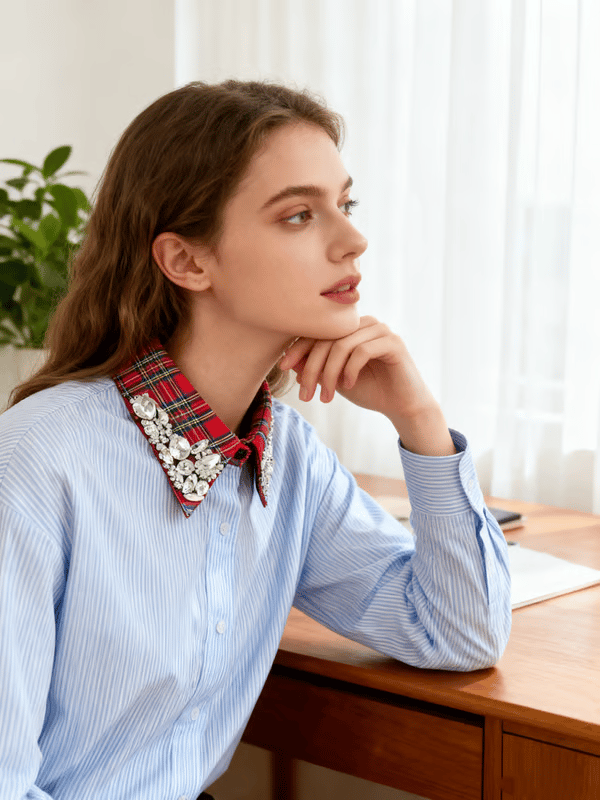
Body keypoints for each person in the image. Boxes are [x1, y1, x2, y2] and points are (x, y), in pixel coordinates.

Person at [0, 80, 511, 800]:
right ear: (187, 262)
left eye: (345, 205)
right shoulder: (38, 461)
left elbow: (460, 633)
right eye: (299, 215)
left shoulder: (288, 456)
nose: (353, 240)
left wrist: (419, 420)